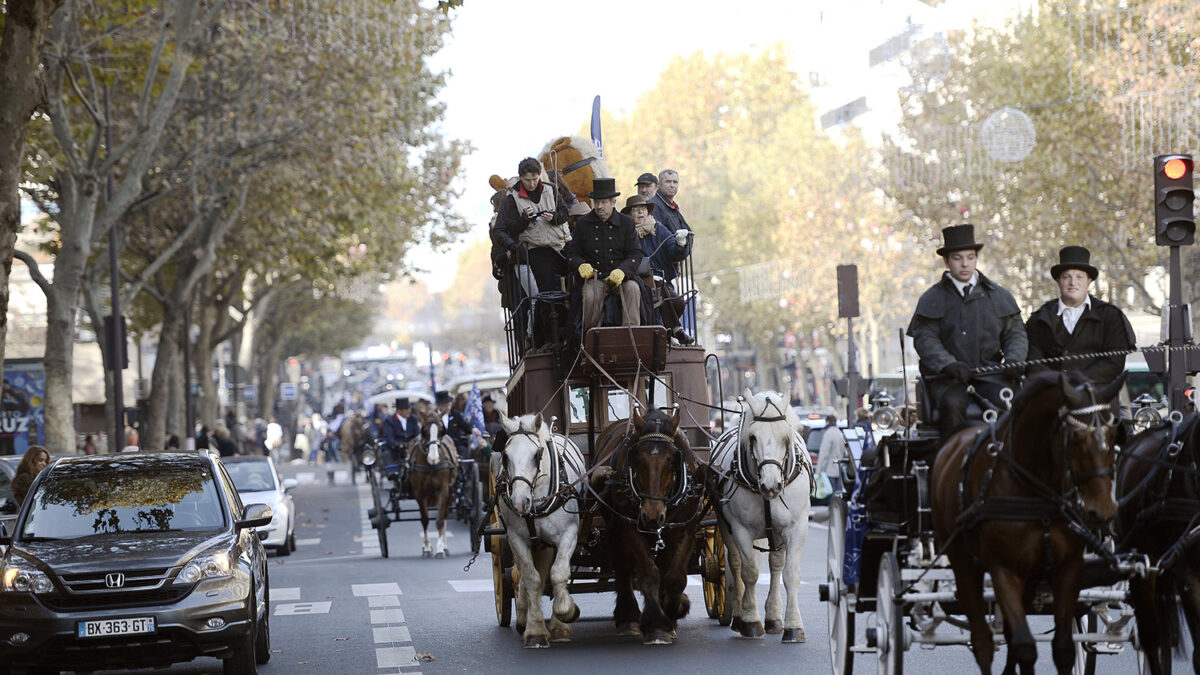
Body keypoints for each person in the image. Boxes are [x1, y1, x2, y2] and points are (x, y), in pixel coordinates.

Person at [907, 224, 1028, 437]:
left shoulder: (998, 296)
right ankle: (955, 464)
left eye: (970, 257)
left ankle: (1004, 464)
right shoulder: (932, 298)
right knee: (953, 405)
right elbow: (925, 339)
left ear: (976, 259)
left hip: (991, 375)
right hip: (948, 381)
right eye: (957, 258)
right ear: (946, 261)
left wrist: (1014, 359)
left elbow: (1015, 333)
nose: (965, 264)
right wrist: (948, 364)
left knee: (1007, 402)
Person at [1025, 246, 1136, 391]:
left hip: (1096, 396)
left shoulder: (1110, 316)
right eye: (1066, 277)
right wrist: (1059, 383)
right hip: (1052, 395)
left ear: (1089, 281)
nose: (1073, 283)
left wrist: (1078, 382)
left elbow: (1114, 362)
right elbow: (1033, 362)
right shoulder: (1039, 318)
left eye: (1079, 277)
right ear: (1058, 281)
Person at [496, 157, 572, 348]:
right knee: (546, 296)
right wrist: (523, 224)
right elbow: (502, 230)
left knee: (570, 291)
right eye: (527, 179)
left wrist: (554, 217)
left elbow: (565, 213)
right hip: (537, 251)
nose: (531, 183)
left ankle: (570, 335)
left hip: (561, 246)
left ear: (539, 176)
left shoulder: (551, 189)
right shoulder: (511, 200)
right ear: (521, 178)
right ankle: (546, 340)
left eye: (535, 178)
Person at [563, 177, 645, 334]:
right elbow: (572, 252)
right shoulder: (583, 223)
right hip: (595, 278)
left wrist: (623, 271)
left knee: (633, 290)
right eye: (596, 202)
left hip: (622, 278)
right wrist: (580, 265)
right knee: (589, 296)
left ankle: (632, 336)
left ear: (613, 202)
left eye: (604, 202)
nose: (599, 206)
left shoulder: (626, 222)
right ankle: (591, 339)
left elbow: (636, 252)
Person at [623, 194, 691, 343]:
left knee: (678, 302)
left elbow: (673, 251)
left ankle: (668, 330)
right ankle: (674, 330)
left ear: (648, 212)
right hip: (636, 280)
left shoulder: (658, 229)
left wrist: (680, 243)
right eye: (636, 210)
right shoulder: (625, 233)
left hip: (662, 280)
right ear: (629, 214)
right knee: (657, 290)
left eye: (643, 209)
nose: (641, 212)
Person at [648, 169, 695, 337]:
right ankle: (671, 332)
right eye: (668, 182)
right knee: (674, 302)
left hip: (668, 270)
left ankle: (671, 331)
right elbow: (664, 241)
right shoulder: (656, 206)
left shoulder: (672, 207)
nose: (672, 185)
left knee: (677, 302)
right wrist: (678, 249)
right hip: (657, 270)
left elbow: (688, 234)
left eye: (675, 182)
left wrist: (683, 247)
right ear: (659, 184)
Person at [436, 390, 473, 459]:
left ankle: (464, 469)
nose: (447, 406)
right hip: (439, 444)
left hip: (455, 444)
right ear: (439, 405)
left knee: (463, 450)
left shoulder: (455, 414)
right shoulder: (434, 416)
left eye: (448, 404)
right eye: (444, 404)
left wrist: (473, 430)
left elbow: (466, 428)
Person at [383, 397, 419, 462]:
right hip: (396, 451)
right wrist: (400, 445)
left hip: (412, 449)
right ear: (399, 411)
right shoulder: (389, 421)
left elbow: (417, 434)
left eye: (409, 409)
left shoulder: (413, 419)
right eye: (406, 409)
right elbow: (389, 438)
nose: (409, 411)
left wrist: (412, 443)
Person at [814, 416, 848, 482]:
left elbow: (824, 454)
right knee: (838, 491)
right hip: (839, 471)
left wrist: (818, 471)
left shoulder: (828, 434)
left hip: (829, 471)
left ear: (827, 421)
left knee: (829, 491)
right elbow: (844, 452)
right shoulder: (840, 433)